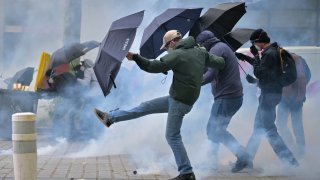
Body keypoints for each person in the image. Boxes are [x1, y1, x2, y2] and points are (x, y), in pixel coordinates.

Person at [94, 30, 225, 180]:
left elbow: (152, 66)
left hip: (180, 101)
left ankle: (187, 173)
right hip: (177, 98)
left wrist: (135, 57)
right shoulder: (199, 51)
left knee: (172, 136)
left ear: (173, 42)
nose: (167, 50)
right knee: (144, 107)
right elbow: (220, 63)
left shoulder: (177, 54)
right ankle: (111, 118)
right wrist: (203, 54)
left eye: (167, 47)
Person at [236, 29, 299, 168]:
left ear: (259, 42)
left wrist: (255, 56)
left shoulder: (269, 53)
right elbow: (269, 73)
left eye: (254, 44)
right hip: (271, 93)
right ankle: (246, 161)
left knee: (269, 130)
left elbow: (260, 72)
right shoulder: (273, 51)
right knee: (258, 127)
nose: (254, 46)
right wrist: (246, 58)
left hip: (269, 96)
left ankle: (290, 162)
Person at [196, 31, 251, 172]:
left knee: (213, 130)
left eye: (200, 45)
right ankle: (212, 163)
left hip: (226, 97)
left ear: (205, 43)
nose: (200, 48)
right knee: (217, 130)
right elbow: (208, 70)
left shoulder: (217, 50)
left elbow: (210, 74)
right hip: (231, 97)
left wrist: (193, 82)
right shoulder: (220, 47)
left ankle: (243, 156)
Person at [276, 54, 310, 158]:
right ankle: (291, 147)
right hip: (285, 98)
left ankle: (301, 151)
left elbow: (302, 78)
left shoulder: (294, 58)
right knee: (281, 125)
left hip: (294, 98)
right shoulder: (277, 59)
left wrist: (300, 96)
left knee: (297, 126)